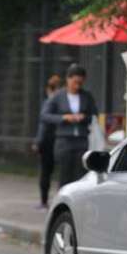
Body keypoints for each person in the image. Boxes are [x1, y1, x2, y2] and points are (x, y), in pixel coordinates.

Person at [41, 64, 98, 187]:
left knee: (80, 174)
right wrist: (64, 118)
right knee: (65, 174)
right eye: (75, 82)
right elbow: (45, 115)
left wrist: (84, 117)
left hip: (82, 139)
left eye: (81, 83)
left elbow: (94, 114)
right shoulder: (58, 96)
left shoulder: (86, 96)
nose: (78, 86)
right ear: (68, 79)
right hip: (64, 140)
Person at [32, 74, 62, 209]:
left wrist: (38, 142)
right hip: (62, 141)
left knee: (45, 173)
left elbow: (43, 125)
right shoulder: (64, 103)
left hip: (48, 142)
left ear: (48, 89)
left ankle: (44, 201)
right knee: (63, 173)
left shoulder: (48, 103)